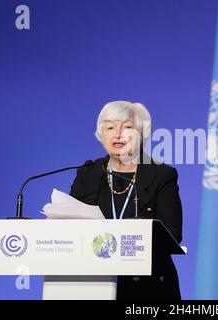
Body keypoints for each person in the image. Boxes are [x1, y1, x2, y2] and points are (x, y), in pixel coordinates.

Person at [69, 100, 183, 300]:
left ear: (142, 134)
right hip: (93, 284)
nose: (118, 134)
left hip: (147, 288)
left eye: (127, 127)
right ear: (101, 134)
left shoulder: (162, 175)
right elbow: (67, 226)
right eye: (110, 127)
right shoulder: (87, 174)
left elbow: (172, 235)